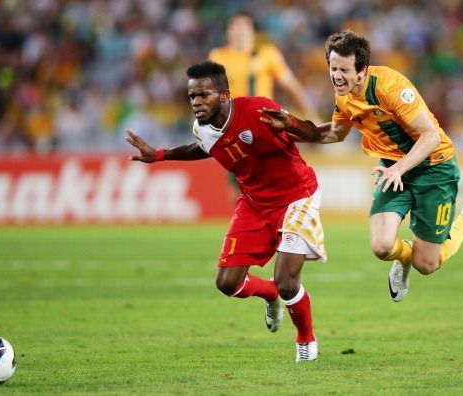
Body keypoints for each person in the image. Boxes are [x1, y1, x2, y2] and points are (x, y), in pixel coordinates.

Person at [259, 30, 463, 302]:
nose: (336, 75)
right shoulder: (344, 95)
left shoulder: (391, 88)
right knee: (381, 247)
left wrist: (399, 169)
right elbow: (334, 133)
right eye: (333, 68)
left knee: (427, 264)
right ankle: (402, 260)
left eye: (343, 69)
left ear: (362, 71)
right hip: (394, 168)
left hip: (434, 168)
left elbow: (431, 136)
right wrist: (290, 128)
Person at [125, 61, 326, 361]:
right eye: (192, 96)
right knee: (227, 283)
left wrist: (292, 125)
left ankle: (306, 340)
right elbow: (204, 147)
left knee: (287, 282)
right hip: (254, 203)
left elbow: (314, 134)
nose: (196, 102)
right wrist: (160, 154)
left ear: (224, 95)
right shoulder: (202, 129)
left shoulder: (258, 110)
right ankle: (269, 294)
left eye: (203, 95)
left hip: (296, 198)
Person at [209, 11, 320, 203]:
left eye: (244, 27)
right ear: (228, 32)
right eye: (235, 27)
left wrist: (312, 115)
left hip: (266, 126)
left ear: (252, 31)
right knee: (239, 190)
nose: (239, 31)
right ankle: (249, 227)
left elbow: (291, 86)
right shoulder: (218, 57)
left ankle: (285, 217)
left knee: (281, 177)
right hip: (233, 129)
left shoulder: (268, 54)